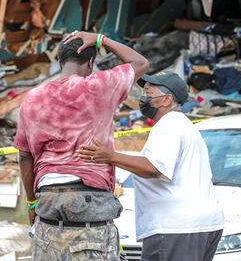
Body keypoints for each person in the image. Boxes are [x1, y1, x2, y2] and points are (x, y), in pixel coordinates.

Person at [15, 31, 149, 260]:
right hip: (90, 200)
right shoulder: (100, 85)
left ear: (59, 61)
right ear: (90, 62)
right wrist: (100, 39)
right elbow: (140, 62)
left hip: (48, 202)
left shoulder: (32, 98)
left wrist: (31, 203)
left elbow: (25, 158)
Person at [78, 71, 224, 261]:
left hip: (176, 227)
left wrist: (110, 156)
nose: (144, 97)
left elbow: (153, 168)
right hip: (200, 224)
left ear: (167, 100)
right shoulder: (183, 125)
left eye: (149, 92)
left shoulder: (169, 124)